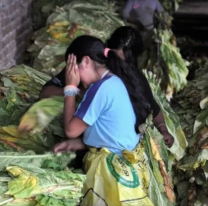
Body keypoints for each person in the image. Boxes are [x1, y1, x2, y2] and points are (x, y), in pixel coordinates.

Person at [53, 35, 155, 206]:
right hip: (124, 166)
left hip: (111, 172)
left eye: (73, 68)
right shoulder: (114, 80)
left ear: (86, 61)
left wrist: (69, 88)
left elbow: (71, 130)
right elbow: (110, 129)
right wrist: (78, 144)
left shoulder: (99, 88)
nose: (74, 76)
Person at [39, 26, 174, 148]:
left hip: (109, 158)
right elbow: (109, 135)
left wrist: (71, 88)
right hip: (110, 150)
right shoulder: (104, 78)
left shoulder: (104, 86)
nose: (119, 65)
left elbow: (71, 131)